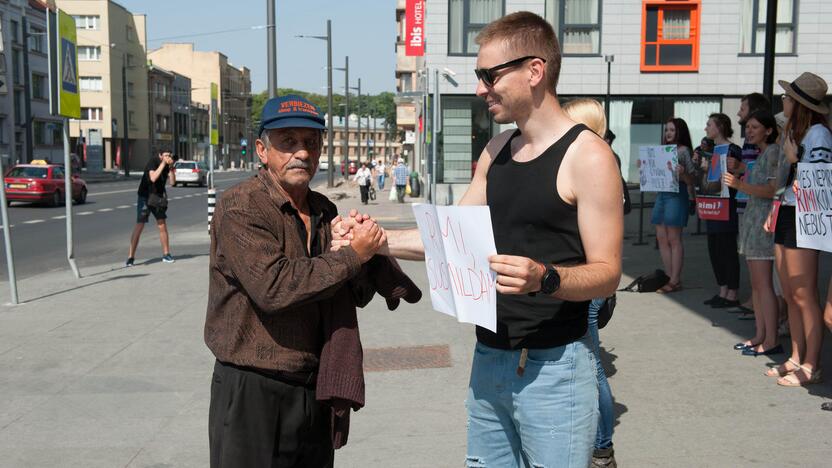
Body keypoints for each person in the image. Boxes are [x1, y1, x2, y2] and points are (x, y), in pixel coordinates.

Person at [337, 12, 623, 467]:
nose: (479, 88)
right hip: (489, 357)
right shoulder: (496, 151)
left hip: (556, 368)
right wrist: (374, 238)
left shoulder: (588, 156)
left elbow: (608, 274)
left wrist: (544, 278)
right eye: (478, 76)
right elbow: (448, 236)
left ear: (535, 71)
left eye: (489, 75)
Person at [204, 95, 419, 467]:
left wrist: (356, 246)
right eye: (288, 142)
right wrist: (353, 255)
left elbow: (352, 293)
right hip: (252, 389)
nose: (302, 152)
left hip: (312, 387)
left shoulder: (324, 209)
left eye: (311, 142)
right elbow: (274, 287)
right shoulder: (240, 206)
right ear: (262, 150)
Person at [562, 97, 621, 468]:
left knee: (591, 365)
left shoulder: (597, 163)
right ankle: (598, 443)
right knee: (587, 362)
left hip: (587, 279)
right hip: (578, 278)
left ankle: (602, 445)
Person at [764, 72, 831, 387]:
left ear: (801, 104)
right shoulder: (796, 131)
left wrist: (796, 158)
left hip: (807, 215)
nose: (783, 101)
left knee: (804, 294)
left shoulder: (818, 134)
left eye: (788, 97)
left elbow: (821, 183)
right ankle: (795, 354)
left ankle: (811, 363)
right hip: (789, 211)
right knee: (790, 293)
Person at [723, 111, 782, 356]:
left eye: (754, 126)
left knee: (763, 285)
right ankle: (761, 335)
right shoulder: (761, 154)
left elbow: (772, 189)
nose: (748, 131)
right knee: (757, 286)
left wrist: (740, 185)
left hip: (763, 225)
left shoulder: (774, 152)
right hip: (754, 223)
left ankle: (771, 339)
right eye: (747, 127)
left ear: (768, 130)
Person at [698, 113, 743, 309]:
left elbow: (734, 178)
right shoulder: (710, 150)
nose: (706, 128)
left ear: (720, 127)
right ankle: (722, 289)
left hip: (727, 205)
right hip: (713, 205)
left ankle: (732, 293)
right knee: (714, 249)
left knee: (727, 250)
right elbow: (707, 185)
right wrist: (705, 169)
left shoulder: (732, 150)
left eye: (709, 125)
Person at [651, 118, 696, 293]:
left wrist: (683, 174)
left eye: (672, 130)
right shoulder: (662, 150)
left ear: (679, 132)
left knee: (674, 238)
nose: (668, 133)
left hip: (677, 195)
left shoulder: (684, 151)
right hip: (662, 194)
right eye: (667, 130)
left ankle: (675, 279)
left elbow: (692, 179)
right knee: (661, 237)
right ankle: (671, 277)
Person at [126, 148, 176, 266]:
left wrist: (172, 168)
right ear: (160, 155)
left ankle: (166, 254)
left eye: (169, 155)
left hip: (157, 197)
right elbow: (153, 178)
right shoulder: (153, 162)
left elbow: (173, 183)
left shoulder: (167, 165)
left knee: (162, 225)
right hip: (145, 197)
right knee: (140, 224)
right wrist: (163, 164)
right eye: (165, 155)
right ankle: (130, 257)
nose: (168, 157)